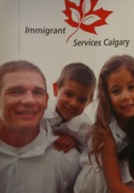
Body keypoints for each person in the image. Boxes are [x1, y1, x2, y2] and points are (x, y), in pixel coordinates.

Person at [0, 60, 80, 193]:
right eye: (15, 92)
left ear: (46, 100)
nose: (29, 100)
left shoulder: (69, 160)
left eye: (37, 92)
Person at [74, 54, 134, 193]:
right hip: (98, 186)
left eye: (131, 87)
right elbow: (115, 187)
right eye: (116, 91)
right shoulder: (106, 132)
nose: (125, 96)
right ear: (106, 96)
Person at [45, 62, 96, 153]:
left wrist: (76, 143)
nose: (73, 103)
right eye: (68, 94)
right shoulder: (41, 111)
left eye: (82, 100)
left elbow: (88, 152)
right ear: (56, 89)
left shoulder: (86, 128)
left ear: (89, 103)